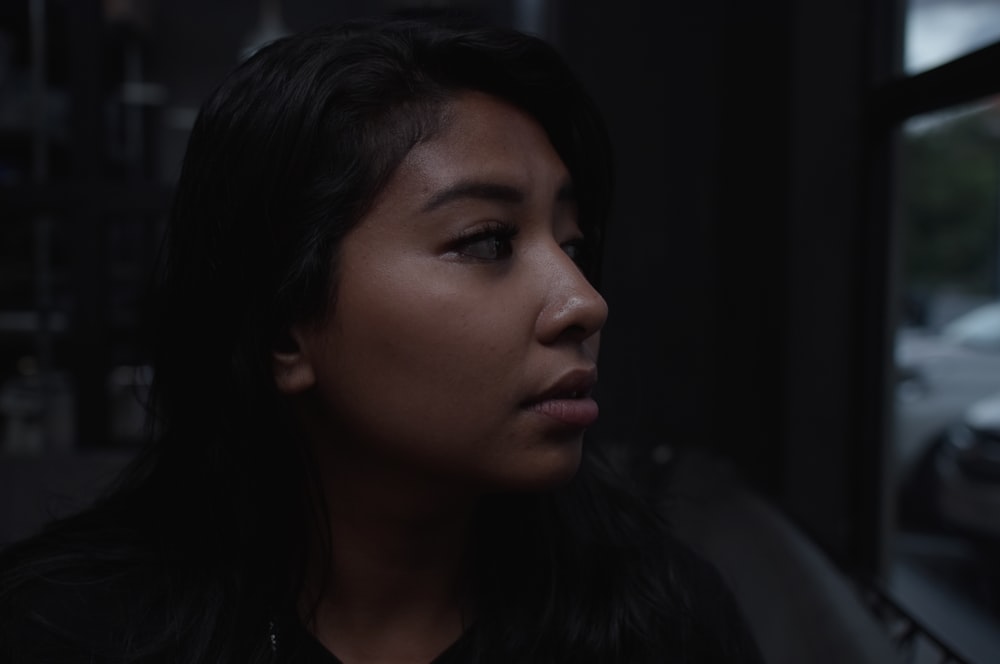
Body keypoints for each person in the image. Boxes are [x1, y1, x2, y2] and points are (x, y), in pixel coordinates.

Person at [0, 17, 763, 664]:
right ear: (282, 332)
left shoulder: (660, 624)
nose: (583, 302)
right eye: (488, 241)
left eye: (573, 242)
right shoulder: (67, 634)